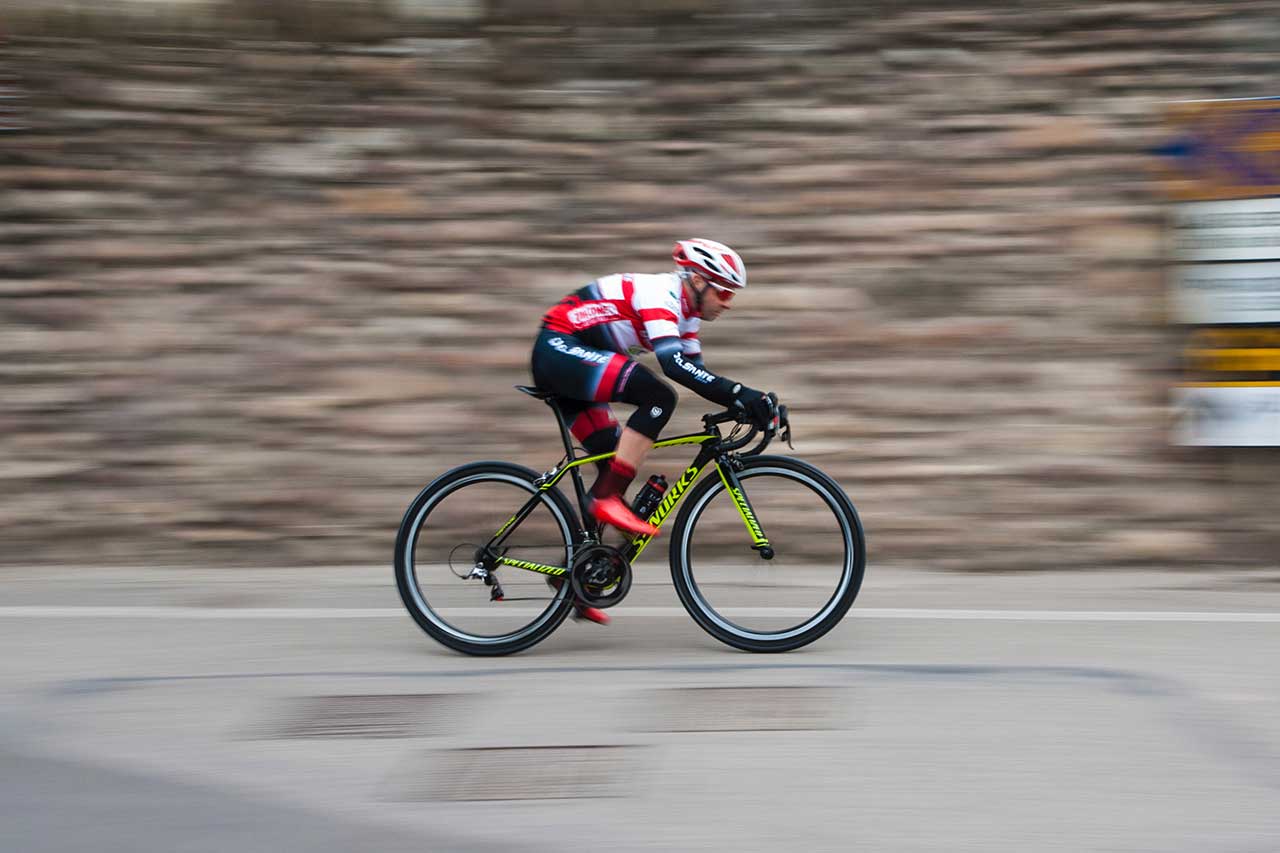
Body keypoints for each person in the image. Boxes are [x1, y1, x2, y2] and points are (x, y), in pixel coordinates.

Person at [530, 239, 777, 623]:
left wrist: (746, 402)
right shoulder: (659, 294)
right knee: (658, 396)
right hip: (559, 348)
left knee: (612, 460)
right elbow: (674, 366)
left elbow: (700, 376)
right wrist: (741, 394)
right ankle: (607, 500)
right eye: (724, 291)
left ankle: (578, 580)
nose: (728, 302)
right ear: (696, 281)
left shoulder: (687, 318)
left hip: (574, 358)